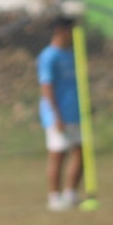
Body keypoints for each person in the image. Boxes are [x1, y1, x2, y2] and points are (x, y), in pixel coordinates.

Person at [37, 16, 83, 211]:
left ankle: (70, 194)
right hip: (58, 113)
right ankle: (54, 198)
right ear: (61, 31)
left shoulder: (73, 54)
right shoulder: (49, 56)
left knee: (81, 153)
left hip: (76, 113)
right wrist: (56, 116)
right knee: (58, 155)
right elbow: (46, 86)